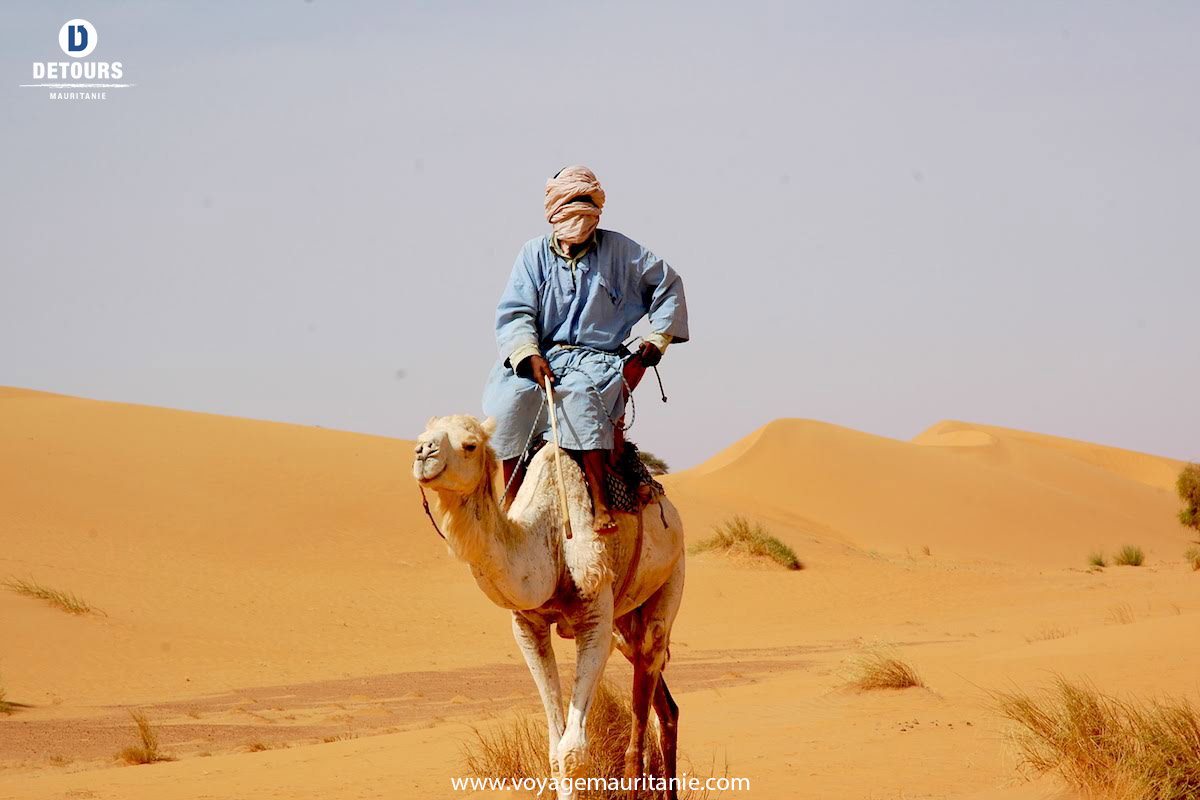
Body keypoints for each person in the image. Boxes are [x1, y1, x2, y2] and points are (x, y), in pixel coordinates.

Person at [482, 165, 688, 532]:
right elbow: (516, 311)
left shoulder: (622, 251)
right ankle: (511, 501)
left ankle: (599, 501)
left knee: (577, 395)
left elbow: (668, 285)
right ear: (554, 215)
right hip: (539, 355)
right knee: (509, 401)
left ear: (596, 216)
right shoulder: (532, 255)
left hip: (597, 359)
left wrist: (659, 338)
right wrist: (528, 355)